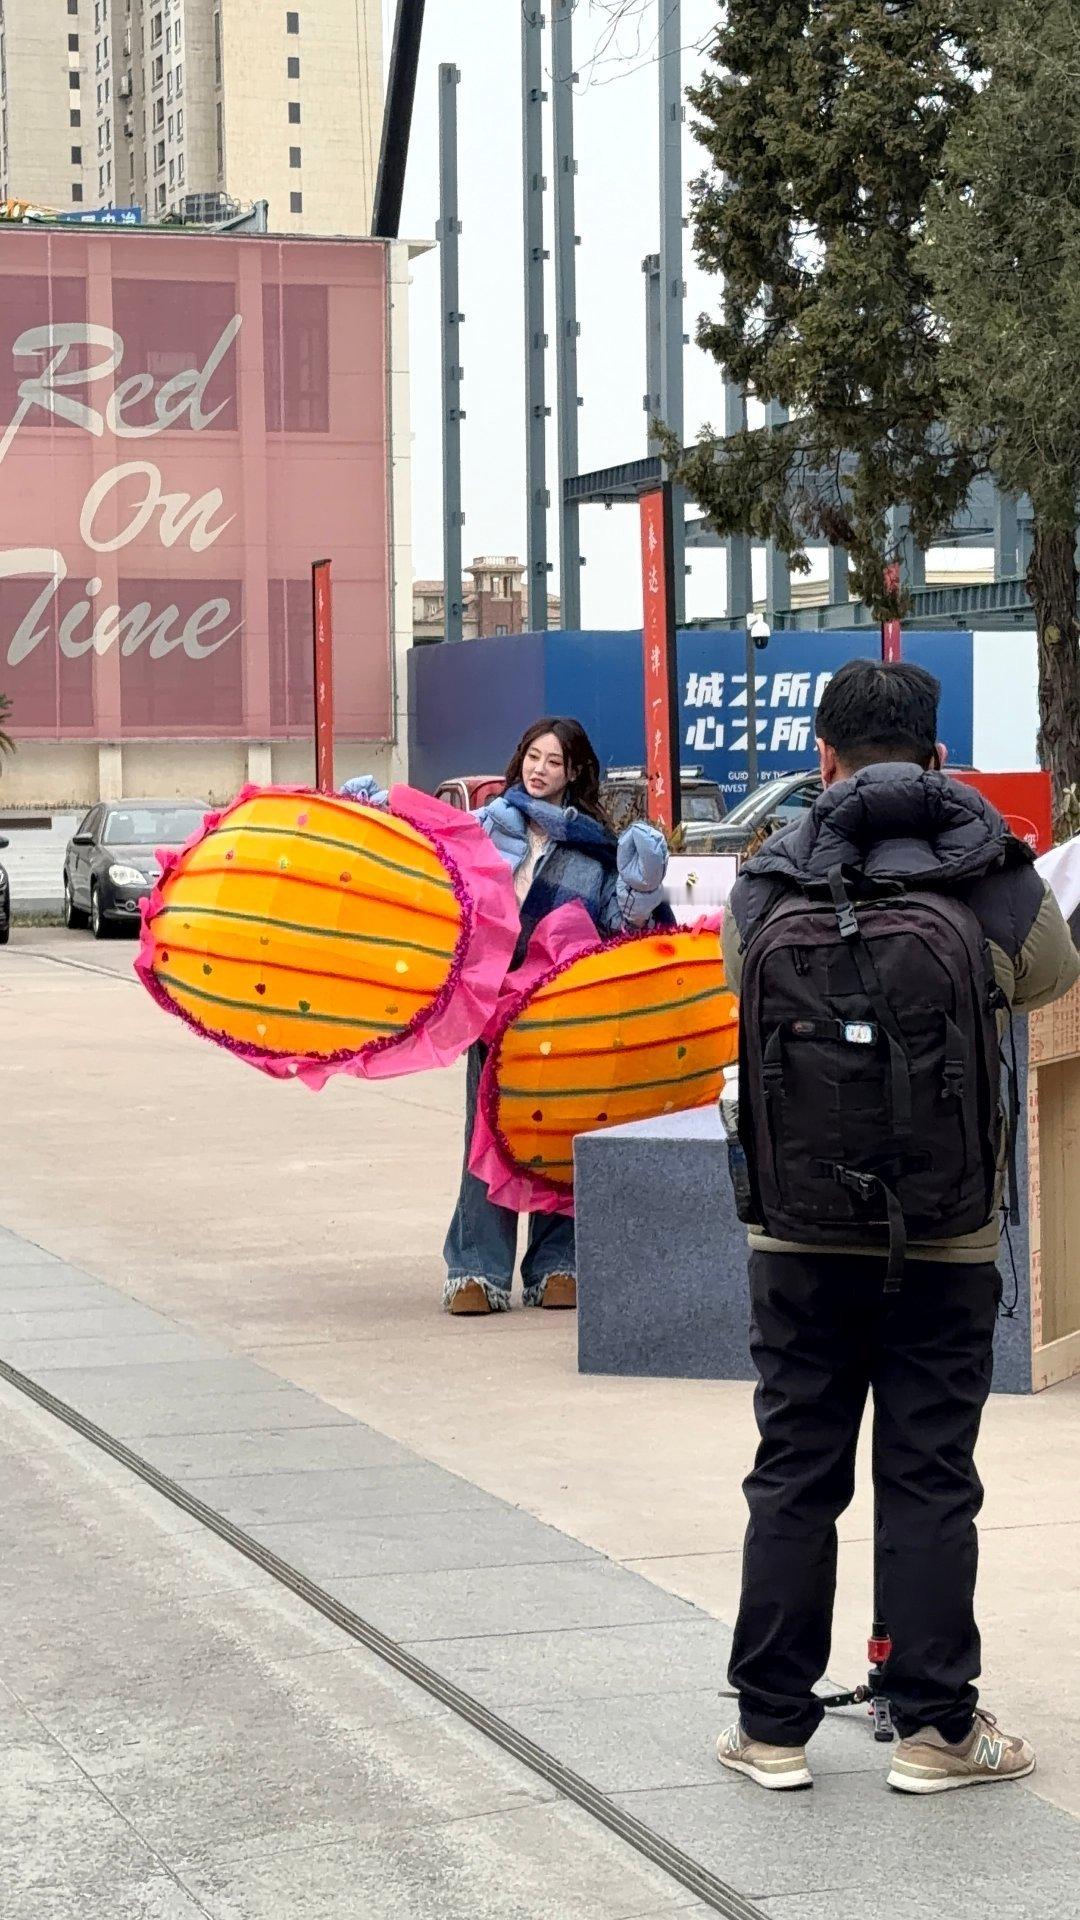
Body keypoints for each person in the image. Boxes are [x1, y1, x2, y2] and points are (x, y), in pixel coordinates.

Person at [716, 659, 1078, 1795]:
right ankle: (934, 1728)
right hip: (946, 1233)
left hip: (795, 1231)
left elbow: (740, 977)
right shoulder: (989, 873)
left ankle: (772, 1727)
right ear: (936, 755)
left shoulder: (771, 874)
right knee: (928, 1472)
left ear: (823, 758)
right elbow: (1051, 977)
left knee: (794, 1469)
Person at [442, 716, 670, 1317]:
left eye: (554, 761)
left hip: (561, 1016)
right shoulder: (483, 830)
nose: (539, 770)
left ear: (574, 772)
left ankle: (556, 1262)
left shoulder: (594, 850)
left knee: (557, 1135)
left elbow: (619, 932)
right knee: (486, 1133)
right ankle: (475, 1268)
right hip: (492, 1013)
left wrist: (642, 896)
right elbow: (442, 898)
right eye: (533, 757)